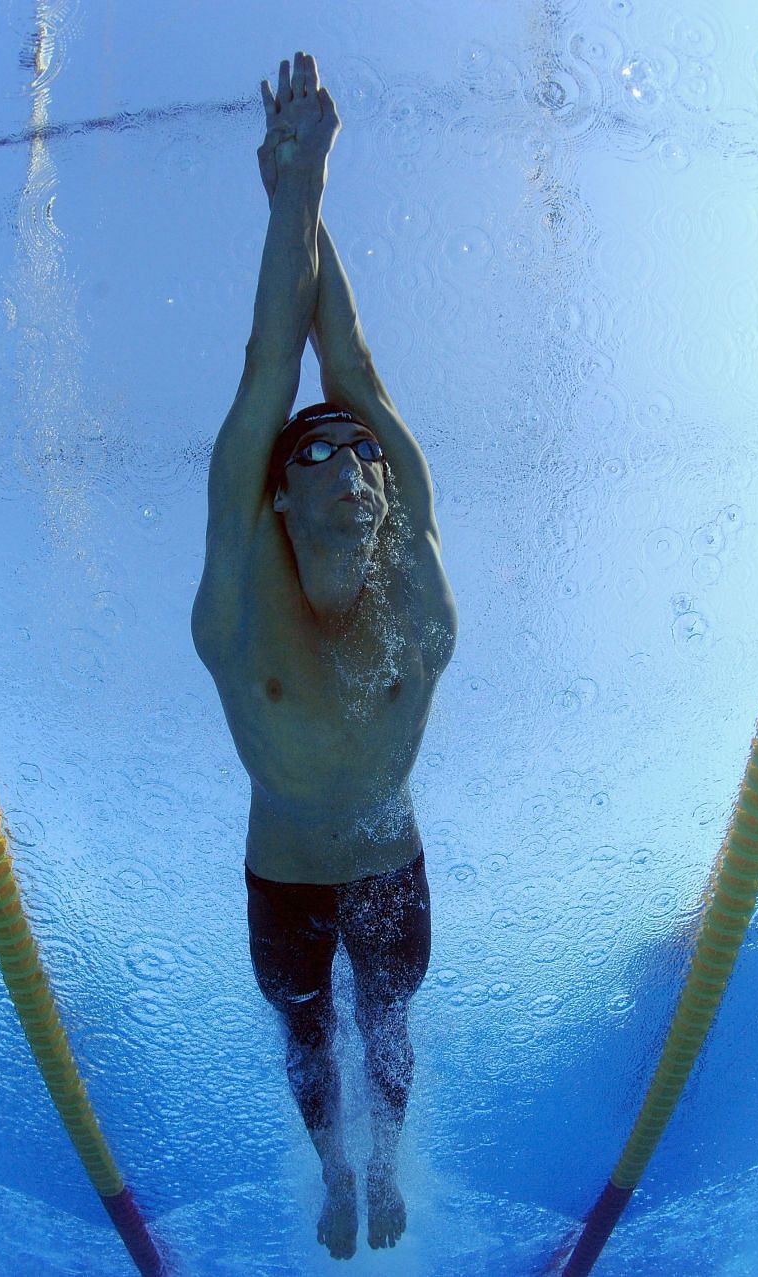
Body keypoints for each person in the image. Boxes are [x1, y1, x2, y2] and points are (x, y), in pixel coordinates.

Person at [191, 53, 456, 1260]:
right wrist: (295, 188)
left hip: (390, 859)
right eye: (312, 458)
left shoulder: (418, 571)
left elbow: (350, 369)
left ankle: (387, 1161)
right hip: (285, 877)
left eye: (363, 454)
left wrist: (303, 199)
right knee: (308, 1040)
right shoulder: (238, 604)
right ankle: (334, 1168)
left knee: (388, 1028)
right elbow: (277, 371)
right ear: (274, 504)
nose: (347, 466)